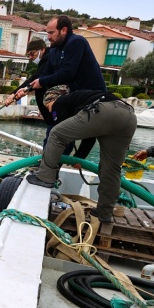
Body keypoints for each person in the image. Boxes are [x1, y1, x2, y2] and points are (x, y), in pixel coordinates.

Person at [26, 86, 137, 223]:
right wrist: (79, 158)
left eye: (48, 106)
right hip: (128, 116)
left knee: (55, 134)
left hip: (104, 111)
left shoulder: (60, 102)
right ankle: (104, 213)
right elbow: (90, 136)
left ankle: (45, 178)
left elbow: (63, 139)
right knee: (111, 167)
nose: (49, 110)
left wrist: (55, 169)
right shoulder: (77, 99)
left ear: (52, 100)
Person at [29, 16, 106, 93]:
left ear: (64, 30)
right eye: (47, 33)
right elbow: (46, 72)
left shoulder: (76, 42)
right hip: (74, 93)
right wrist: (28, 88)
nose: (48, 37)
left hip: (92, 94)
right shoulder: (54, 49)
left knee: (49, 95)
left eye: (51, 33)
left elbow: (67, 72)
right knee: (41, 89)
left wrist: (41, 82)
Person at [4, 37, 51, 126]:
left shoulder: (48, 59)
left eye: (32, 54)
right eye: (28, 55)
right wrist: (16, 93)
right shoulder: (46, 59)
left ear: (42, 50)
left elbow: (36, 77)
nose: (30, 58)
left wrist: (15, 93)